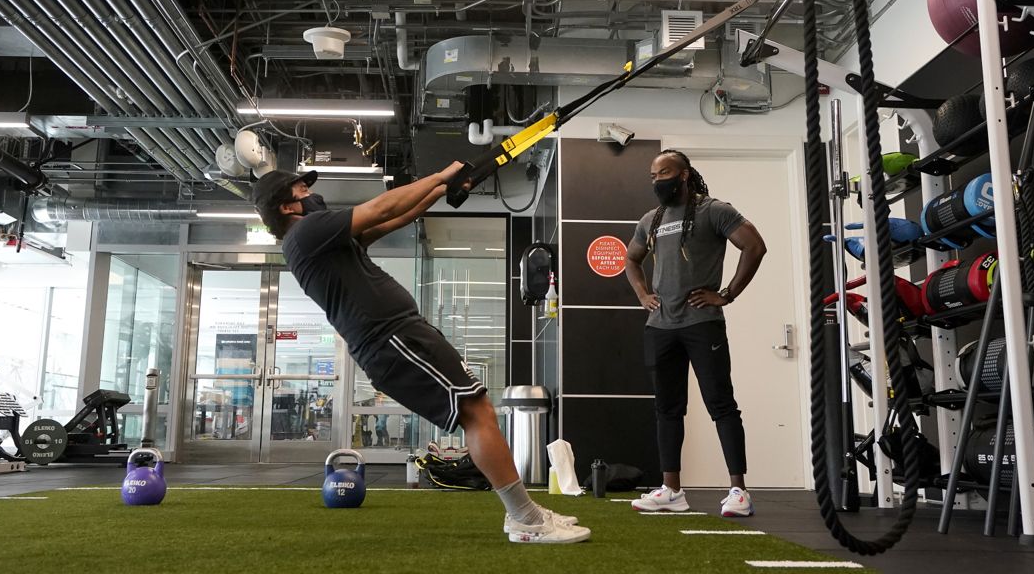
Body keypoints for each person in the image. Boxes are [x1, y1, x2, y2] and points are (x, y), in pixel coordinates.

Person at [253, 165, 589, 544]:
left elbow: (397, 217)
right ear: (286, 207)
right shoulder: (305, 233)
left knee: (479, 411)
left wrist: (442, 189)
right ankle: (525, 518)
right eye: (302, 188)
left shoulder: (326, 241)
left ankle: (525, 513)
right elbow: (381, 207)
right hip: (390, 339)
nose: (311, 192)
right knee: (477, 412)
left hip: (401, 334)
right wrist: (444, 173)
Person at [623, 149, 767, 517]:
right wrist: (643, 294)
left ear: (684, 175)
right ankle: (672, 490)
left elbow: (754, 246)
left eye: (665, 173)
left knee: (721, 404)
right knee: (667, 409)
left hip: (702, 324)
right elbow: (631, 259)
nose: (658, 181)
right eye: (653, 176)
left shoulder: (713, 210)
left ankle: (739, 491)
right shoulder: (650, 220)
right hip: (660, 328)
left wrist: (726, 295)